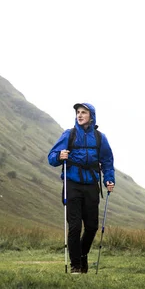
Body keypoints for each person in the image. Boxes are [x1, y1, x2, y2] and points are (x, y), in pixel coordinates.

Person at [48, 103, 115, 274]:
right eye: (78, 112)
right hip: (72, 184)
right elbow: (51, 157)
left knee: (92, 226)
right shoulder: (69, 135)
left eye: (83, 112)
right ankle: (76, 265)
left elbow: (107, 161)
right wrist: (59, 156)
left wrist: (109, 179)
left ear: (91, 116)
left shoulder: (100, 138)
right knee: (75, 226)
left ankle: (83, 255)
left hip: (92, 185)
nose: (79, 115)